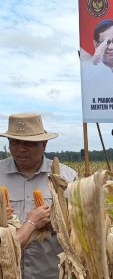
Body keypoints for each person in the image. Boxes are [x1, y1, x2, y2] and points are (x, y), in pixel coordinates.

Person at [0, 113, 77, 279]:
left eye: (28, 143)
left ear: (44, 144)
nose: (21, 148)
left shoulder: (67, 177)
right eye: (15, 142)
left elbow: (82, 227)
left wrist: (58, 221)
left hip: (51, 272)